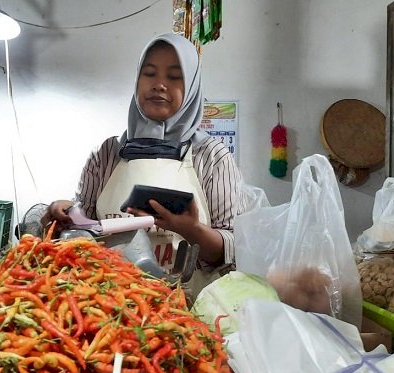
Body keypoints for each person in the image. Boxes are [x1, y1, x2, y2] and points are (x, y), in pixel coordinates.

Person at [43, 33, 244, 297]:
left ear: (193, 87)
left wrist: (190, 230)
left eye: (174, 77)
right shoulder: (106, 155)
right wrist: (65, 215)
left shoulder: (212, 157)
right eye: (149, 74)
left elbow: (236, 251)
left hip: (188, 315)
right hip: (110, 310)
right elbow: (84, 234)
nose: (159, 85)